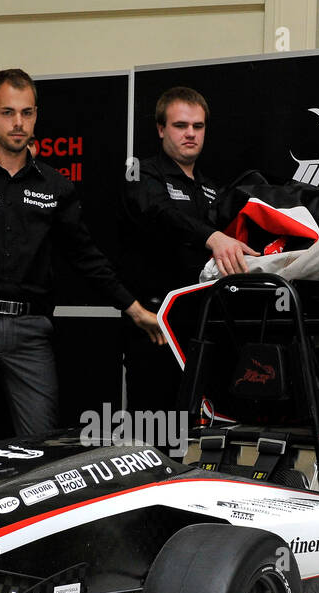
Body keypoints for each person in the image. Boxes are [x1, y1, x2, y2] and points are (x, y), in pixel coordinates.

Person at [0, 68, 162, 447]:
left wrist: (134, 309)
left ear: (36, 117)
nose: (18, 123)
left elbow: (85, 256)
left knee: (41, 450)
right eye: (8, 112)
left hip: (31, 331)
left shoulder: (55, 186)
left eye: (26, 113)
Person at [117, 86, 256, 415]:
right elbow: (160, 213)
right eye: (180, 125)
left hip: (205, 329)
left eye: (198, 126)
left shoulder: (213, 189)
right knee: (153, 437)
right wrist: (213, 237)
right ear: (161, 129)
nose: (190, 133)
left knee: (204, 433)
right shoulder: (140, 173)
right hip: (155, 326)